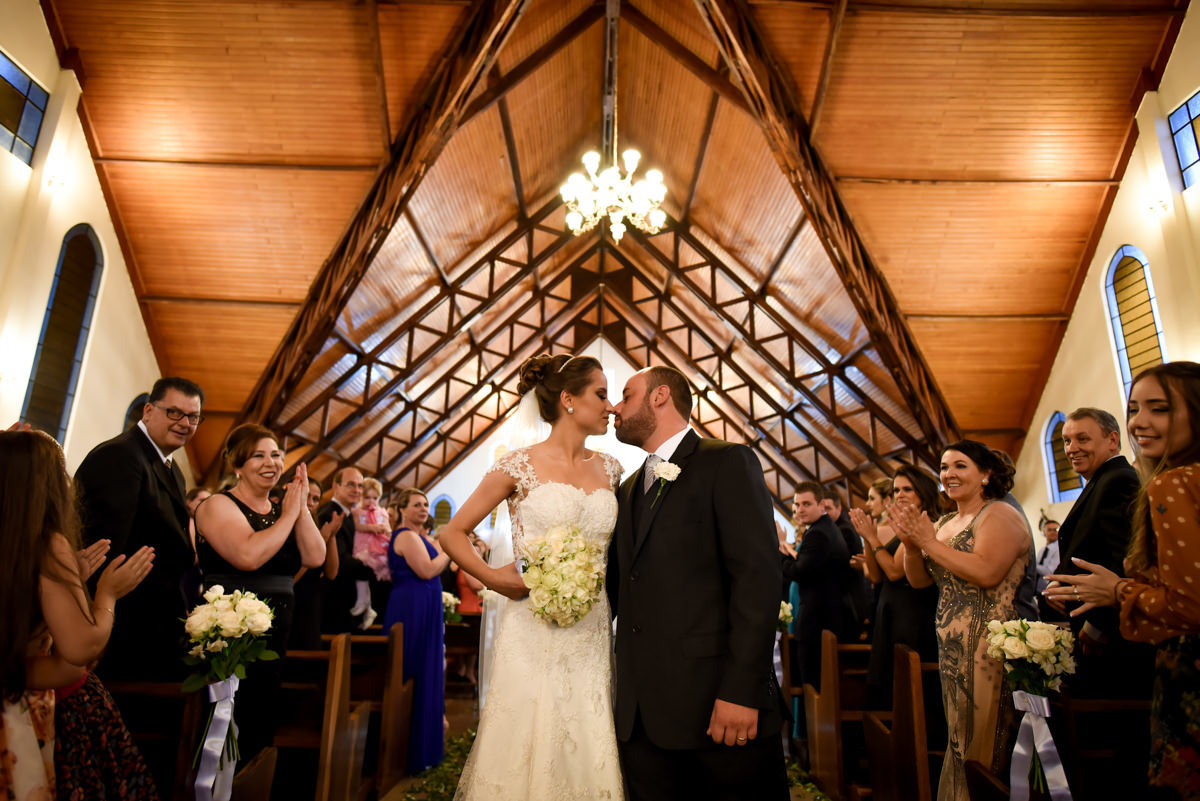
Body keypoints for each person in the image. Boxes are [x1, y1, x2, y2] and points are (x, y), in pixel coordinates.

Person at [439, 353, 625, 799]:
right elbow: (453, 532)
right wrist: (492, 577)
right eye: (600, 395)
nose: (610, 406)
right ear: (568, 399)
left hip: (592, 627)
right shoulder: (517, 466)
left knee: (588, 729)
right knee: (528, 732)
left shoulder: (612, 470)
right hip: (533, 622)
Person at [612, 364, 788, 801]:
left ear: (660, 396)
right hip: (640, 719)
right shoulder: (628, 487)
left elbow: (758, 581)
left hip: (718, 708)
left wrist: (741, 693)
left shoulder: (726, 461)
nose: (616, 407)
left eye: (626, 394)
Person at [1045, 362, 1200, 800]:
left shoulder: (1170, 485)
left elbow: (1189, 604)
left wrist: (1115, 592)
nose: (1140, 421)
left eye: (1160, 408)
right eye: (1135, 408)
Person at [1, 429, 158, 800]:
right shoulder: (44, 540)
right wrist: (106, 595)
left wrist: (67, 585)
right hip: (30, 709)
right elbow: (80, 649)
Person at [891, 440, 1031, 801]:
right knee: (957, 736)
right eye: (943, 467)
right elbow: (920, 581)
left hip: (990, 645)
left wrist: (929, 543)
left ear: (985, 474)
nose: (948, 474)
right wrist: (910, 545)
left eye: (960, 466)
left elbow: (987, 572)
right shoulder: (946, 522)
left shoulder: (999, 514)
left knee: (981, 740)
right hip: (952, 646)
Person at [193, 423, 326, 759]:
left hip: (278, 630)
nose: (271, 463)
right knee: (230, 719)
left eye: (276, 455)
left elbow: (315, 556)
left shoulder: (285, 511)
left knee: (262, 718)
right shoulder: (218, 506)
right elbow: (248, 555)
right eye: (258, 456)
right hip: (230, 634)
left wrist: (301, 510)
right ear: (237, 465)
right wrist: (290, 516)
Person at [74, 376, 205, 681]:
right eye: (174, 412)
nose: (185, 423)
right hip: (127, 622)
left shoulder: (171, 469)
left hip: (155, 617)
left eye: (193, 416)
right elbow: (104, 548)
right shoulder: (121, 456)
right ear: (148, 411)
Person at [850, 464, 941, 707]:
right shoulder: (901, 526)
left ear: (923, 492)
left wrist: (871, 538)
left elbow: (893, 571)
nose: (899, 494)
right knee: (890, 687)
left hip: (911, 614)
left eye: (907, 489)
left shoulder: (924, 523)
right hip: (890, 610)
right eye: (897, 489)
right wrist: (869, 540)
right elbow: (876, 577)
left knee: (909, 690)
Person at [382, 487, 449, 775]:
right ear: (402, 509)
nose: (423, 509)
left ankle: (423, 746)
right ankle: (407, 751)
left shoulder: (421, 537)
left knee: (427, 667)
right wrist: (449, 548)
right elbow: (427, 570)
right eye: (416, 505)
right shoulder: (407, 536)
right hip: (412, 608)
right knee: (413, 666)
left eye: (425, 504)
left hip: (426, 605)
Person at [785, 483, 850, 689]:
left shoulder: (818, 533)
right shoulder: (823, 528)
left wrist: (779, 550)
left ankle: (811, 722)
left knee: (813, 687)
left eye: (806, 504)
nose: (800, 509)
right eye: (797, 504)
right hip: (824, 618)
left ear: (821, 505)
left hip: (817, 621)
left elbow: (798, 571)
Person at [290, 476, 343, 650]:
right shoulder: (284, 528)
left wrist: (332, 535)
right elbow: (292, 578)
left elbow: (332, 573)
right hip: (292, 604)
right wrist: (323, 537)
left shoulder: (314, 528)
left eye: (316, 499)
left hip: (311, 606)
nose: (311, 503)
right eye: (307, 496)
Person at [316, 468, 366, 632]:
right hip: (333, 599)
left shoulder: (350, 516)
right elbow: (340, 560)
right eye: (351, 485)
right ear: (336, 486)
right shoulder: (329, 515)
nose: (357, 490)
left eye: (360, 486)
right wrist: (371, 565)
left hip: (346, 598)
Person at [351, 477, 390, 627]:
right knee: (362, 575)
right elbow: (358, 527)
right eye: (367, 497)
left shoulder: (382, 512)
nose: (371, 501)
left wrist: (385, 529)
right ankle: (363, 603)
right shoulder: (358, 511)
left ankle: (369, 607)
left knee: (374, 577)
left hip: (377, 547)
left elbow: (387, 528)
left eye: (375, 498)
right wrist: (372, 528)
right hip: (363, 546)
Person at [1035, 518, 1060, 591]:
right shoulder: (1042, 550)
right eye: (1049, 530)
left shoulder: (1059, 550)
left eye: (1055, 530)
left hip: (1050, 590)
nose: (1053, 532)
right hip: (1039, 591)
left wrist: (1032, 564)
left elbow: (1050, 573)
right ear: (1044, 532)